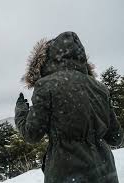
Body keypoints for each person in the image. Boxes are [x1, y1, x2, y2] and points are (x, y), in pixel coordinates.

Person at [15, 31, 124, 183]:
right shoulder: (99, 88)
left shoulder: (45, 86)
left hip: (66, 173)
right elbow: (116, 137)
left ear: (49, 58)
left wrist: (21, 111)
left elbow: (32, 134)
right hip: (106, 173)